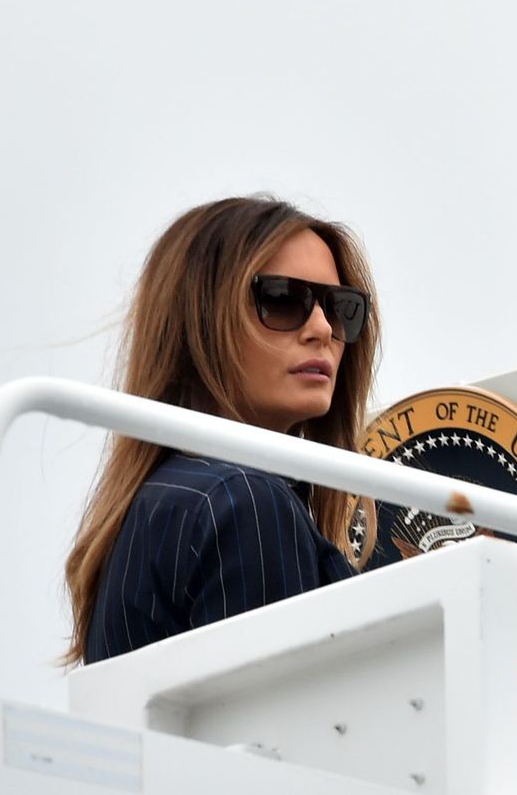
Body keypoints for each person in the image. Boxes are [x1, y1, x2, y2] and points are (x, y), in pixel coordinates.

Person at [61, 196, 380, 665]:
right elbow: (278, 731)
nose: (322, 328)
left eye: (340, 307)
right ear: (199, 321)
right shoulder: (243, 501)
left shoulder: (163, 505)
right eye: (281, 299)